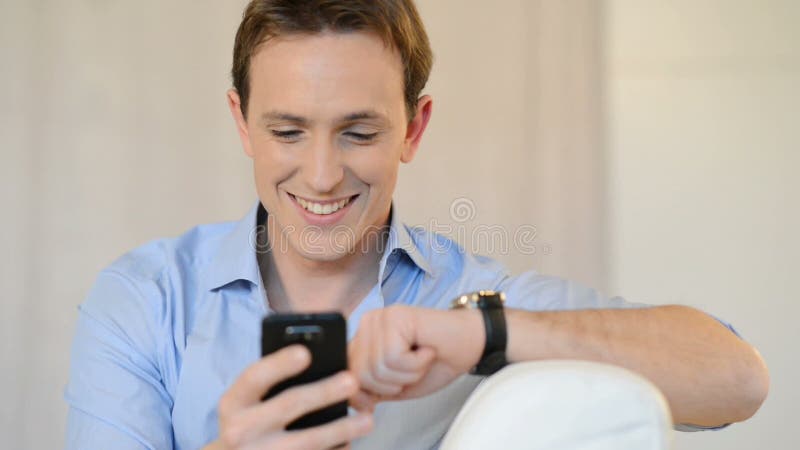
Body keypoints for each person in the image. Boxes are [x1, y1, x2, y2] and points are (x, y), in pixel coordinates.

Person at [64, 1, 770, 449]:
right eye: (287, 131)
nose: (320, 175)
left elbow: (736, 379)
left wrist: (486, 335)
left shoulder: (471, 299)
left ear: (415, 126)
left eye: (358, 132)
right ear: (241, 123)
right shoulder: (145, 298)